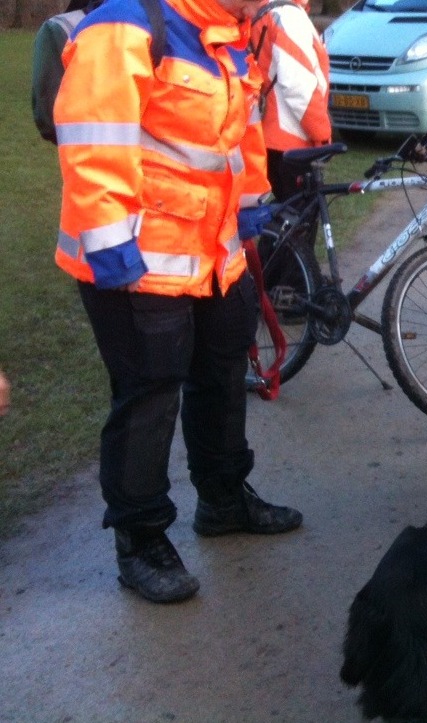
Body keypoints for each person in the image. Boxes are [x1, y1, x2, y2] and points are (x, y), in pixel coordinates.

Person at [54, 0, 303, 605]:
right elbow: (93, 142)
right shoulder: (130, 22)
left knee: (220, 375)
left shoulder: (229, 36)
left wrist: (252, 203)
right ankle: (140, 540)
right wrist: (114, 250)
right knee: (150, 394)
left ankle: (222, 499)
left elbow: (238, 136)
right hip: (138, 263)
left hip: (215, 257)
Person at [249, 0, 331, 201]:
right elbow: (299, 86)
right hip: (293, 141)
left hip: (269, 136)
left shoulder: (264, 10)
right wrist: (322, 137)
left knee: (282, 220)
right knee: (298, 222)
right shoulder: (287, 16)